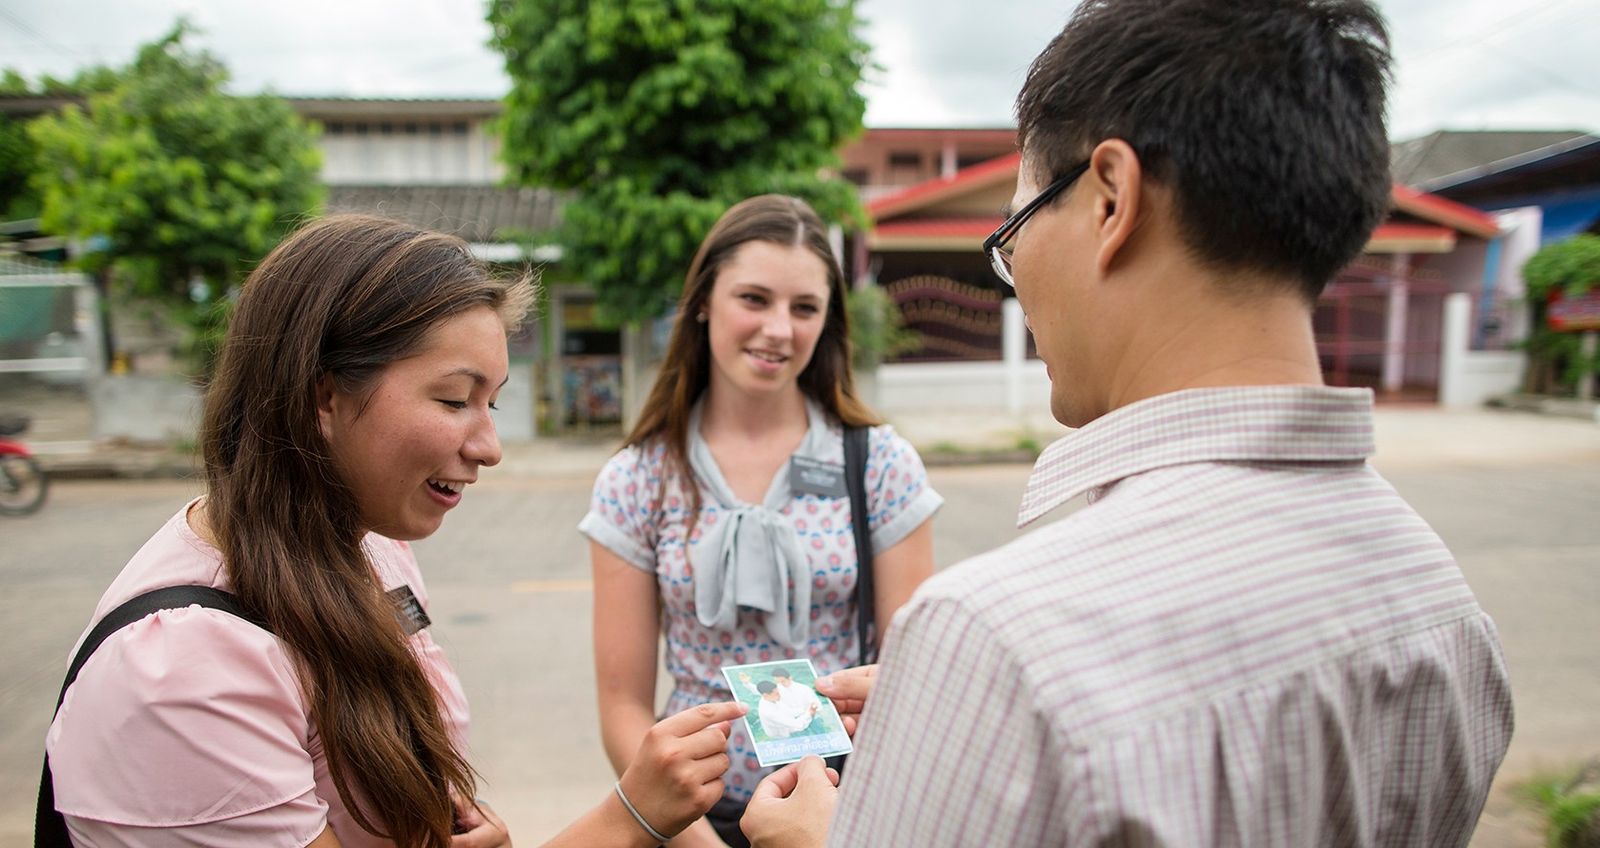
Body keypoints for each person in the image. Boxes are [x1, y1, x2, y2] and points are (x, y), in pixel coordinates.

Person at [741, 1, 1515, 846]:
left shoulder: (999, 635)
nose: (1014, 280)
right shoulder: (1447, 611)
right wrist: (965, 715)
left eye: (1016, 229)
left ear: (1111, 197)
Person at [44, 215, 744, 848]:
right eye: (453, 400)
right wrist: (630, 818)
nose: (490, 446)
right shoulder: (186, 675)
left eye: (492, 403)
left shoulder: (373, 548)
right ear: (323, 395)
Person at [581, 195, 943, 847]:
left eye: (804, 308)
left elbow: (913, 677)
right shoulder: (637, 479)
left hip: (846, 810)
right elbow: (623, 706)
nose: (779, 329)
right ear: (702, 303)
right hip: (689, 821)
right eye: (754, 298)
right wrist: (696, 840)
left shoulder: (880, 464)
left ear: (827, 322)